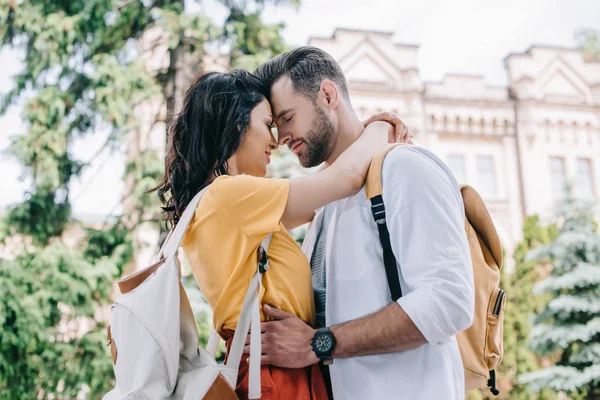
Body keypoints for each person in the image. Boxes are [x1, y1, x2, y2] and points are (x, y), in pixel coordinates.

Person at [150, 69, 410, 400]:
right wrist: (381, 128)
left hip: (277, 365)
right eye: (266, 124)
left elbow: (321, 197)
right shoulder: (228, 196)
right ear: (236, 126)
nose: (275, 140)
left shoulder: (230, 205)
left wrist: (358, 138)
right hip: (273, 373)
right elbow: (344, 179)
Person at [251, 46, 475, 399]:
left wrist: (318, 342)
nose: (281, 139)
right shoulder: (325, 206)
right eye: (274, 126)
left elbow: (449, 301)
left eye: (288, 118)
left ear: (327, 95)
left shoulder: (404, 168)